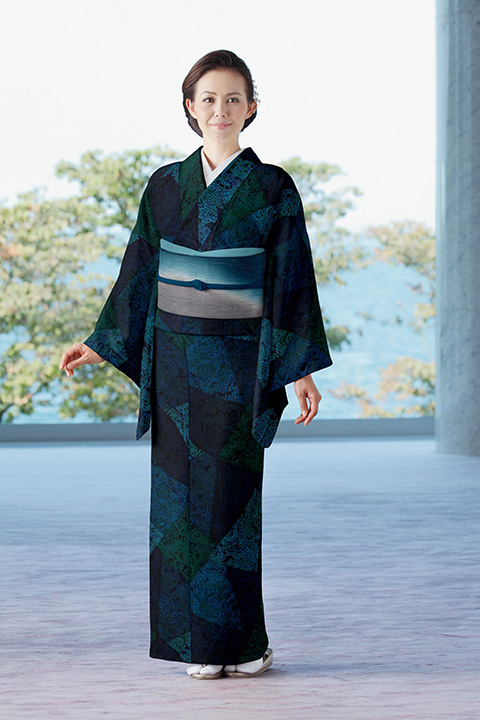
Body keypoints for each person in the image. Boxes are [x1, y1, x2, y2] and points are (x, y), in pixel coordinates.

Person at [59, 49, 333, 680]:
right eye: (208, 99)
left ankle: (242, 644)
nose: (220, 110)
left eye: (233, 98)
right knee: (177, 508)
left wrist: (298, 369)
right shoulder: (164, 185)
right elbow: (140, 269)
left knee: (230, 506)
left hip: (239, 367)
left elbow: (290, 280)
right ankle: (196, 647)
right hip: (176, 368)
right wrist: (102, 342)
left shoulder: (273, 188)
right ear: (190, 107)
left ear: (252, 107)